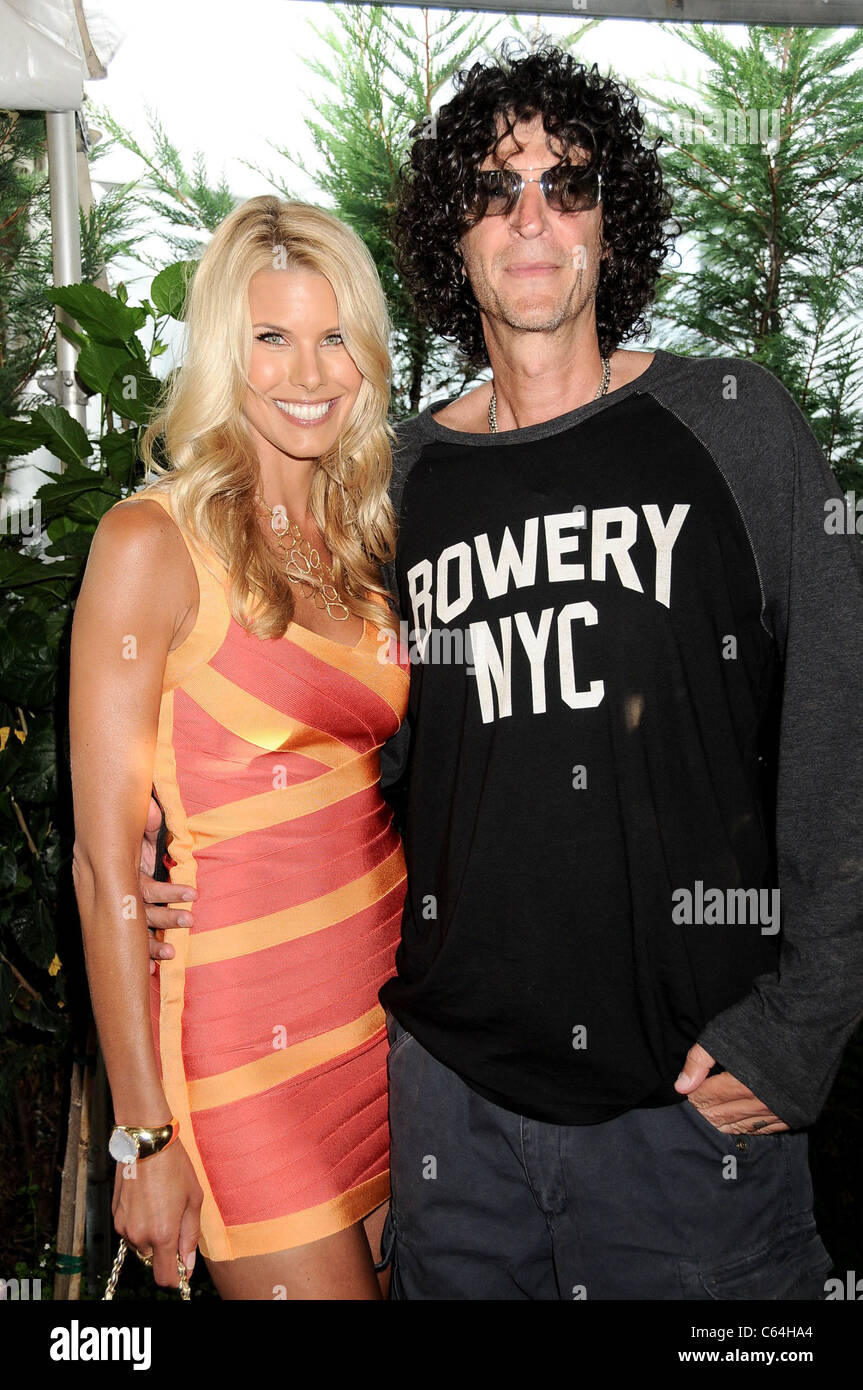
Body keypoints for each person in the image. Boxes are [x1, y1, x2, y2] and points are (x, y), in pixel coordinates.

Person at [143, 44, 863, 1300]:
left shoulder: (735, 425)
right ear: (452, 233)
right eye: (493, 188)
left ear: (608, 219)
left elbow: (839, 731)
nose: (531, 217)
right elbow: (350, 747)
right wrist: (190, 879)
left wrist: (808, 1021)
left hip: (685, 1111)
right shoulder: (401, 487)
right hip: (448, 1111)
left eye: (567, 184)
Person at [71, 196, 409, 1300]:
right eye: (270, 336)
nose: (307, 371)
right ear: (226, 349)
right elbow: (104, 862)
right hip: (241, 1064)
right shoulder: (149, 542)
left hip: (383, 1029)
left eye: (333, 337)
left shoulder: (363, 547)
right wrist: (142, 1135)